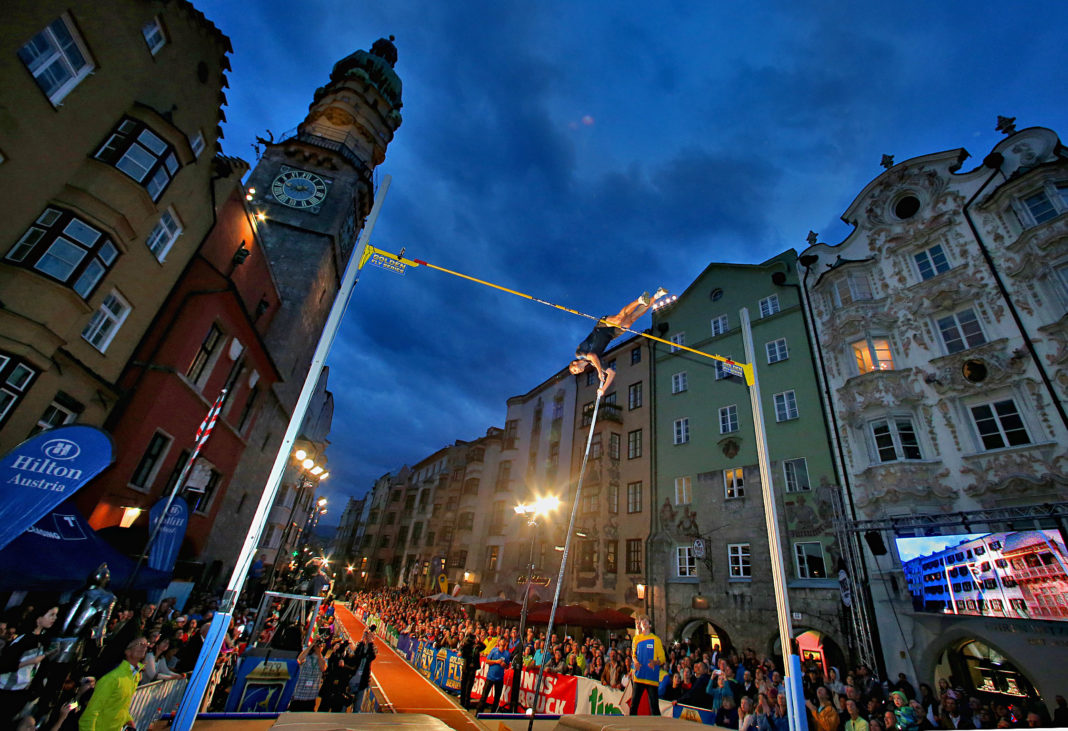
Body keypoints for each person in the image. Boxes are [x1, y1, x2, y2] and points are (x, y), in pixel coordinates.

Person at [569, 288, 669, 396]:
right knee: (632, 318)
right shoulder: (595, 363)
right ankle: (657, 295)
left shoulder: (579, 353)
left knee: (619, 319)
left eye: (574, 370)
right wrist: (603, 390)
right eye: (576, 373)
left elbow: (592, 355)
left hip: (601, 327)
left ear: (574, 363)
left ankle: (640, 300)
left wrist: (599, 371)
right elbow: (611, 373)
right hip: (612, 334)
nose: (577, 372)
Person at [0, 605, 58, 726]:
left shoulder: (42, 639)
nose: (54, 618)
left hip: (21, 691)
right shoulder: (25, 639)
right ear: (39, 618)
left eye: (55, 615)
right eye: (51, 614)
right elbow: (4, 665)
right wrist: (32, 661)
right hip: (6, 689)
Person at [78, 635, 148, 730]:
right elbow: (90, 713)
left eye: (146, 644)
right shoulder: (113, 677)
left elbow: (121, 705)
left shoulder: (134, 676)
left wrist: (128, 719)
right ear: (127, 651)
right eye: (140, 644)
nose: (144, 647)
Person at [628, 614, 665, 716]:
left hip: (651, 678)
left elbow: (663, 658)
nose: (643, 622)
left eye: (646, 620)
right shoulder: (636, 639)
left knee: (654, 707)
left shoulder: (656, 640)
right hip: (639, 676)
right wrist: (635, 662)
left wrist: (655, 662)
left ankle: (658, 724)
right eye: (642, 621)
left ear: (650, 625)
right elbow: (633, 655)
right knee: (633, 705)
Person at [290, 638, 327, 711]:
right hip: (299, 695)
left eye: (321, 646)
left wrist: (318, 653)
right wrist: (312, 645)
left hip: (311, 696)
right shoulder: (306, 654)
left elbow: (323, 668)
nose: (319, 647)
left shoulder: (322, 658)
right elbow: (299, 659)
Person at [476, 631, 508, 715]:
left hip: (499, 678)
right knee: (484, 695)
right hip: (491, 677)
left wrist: (504, 665)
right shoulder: (494, 650)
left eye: (504, 640)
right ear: (499, 642)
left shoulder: (507, 654)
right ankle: (478, 712)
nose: (503, 642)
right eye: (501, 640)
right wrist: (496, 661)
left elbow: (507, 666)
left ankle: (493, 714)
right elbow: (487, 661)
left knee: (497, 698)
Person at [348, 629, 376, 712]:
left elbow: (372, 656)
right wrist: (363, 638)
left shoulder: (372, 648)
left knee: (357, 707)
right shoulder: (360, 645)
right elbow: (357, 652)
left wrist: (370, 642)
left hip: (362, 681)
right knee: (344, 704)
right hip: (353, 679)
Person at [459, 632, 483, 710]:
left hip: (472, 669)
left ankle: (466, 704)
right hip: (466, 668)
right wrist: (464, 643)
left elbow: (483, 647)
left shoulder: (476, 647)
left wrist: (479, 641)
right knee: (463, 685)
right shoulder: (466, 645)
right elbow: (463, 653)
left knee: (469, 687)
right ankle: (461, 702)